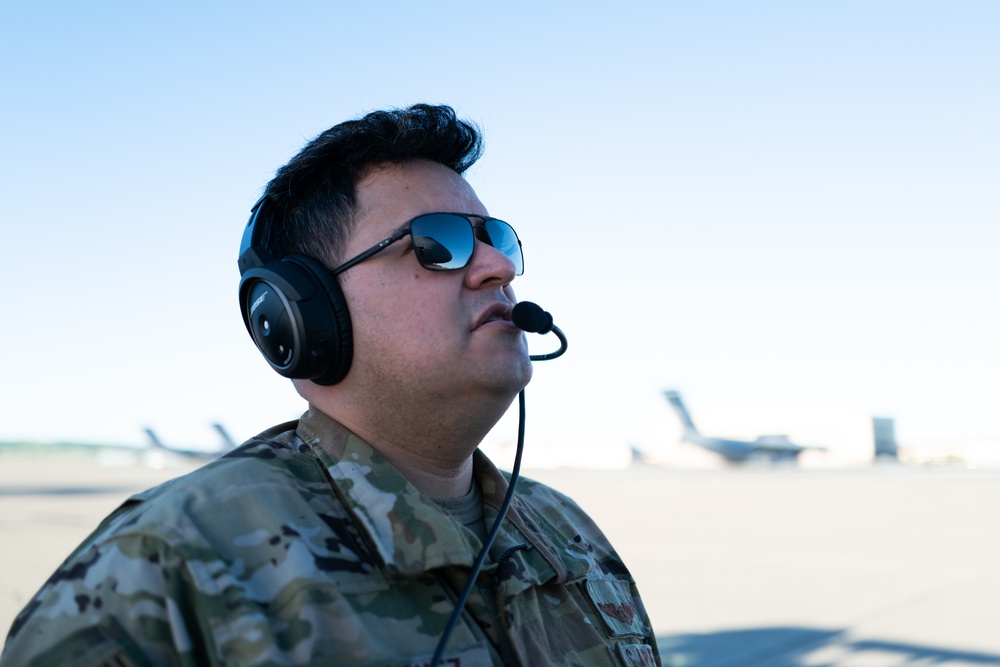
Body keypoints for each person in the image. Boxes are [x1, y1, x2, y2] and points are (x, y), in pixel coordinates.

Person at [2, 104, 660, 667]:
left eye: (500, 240)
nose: (494, 267)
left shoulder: (568, 536)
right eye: (438, 242)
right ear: (302, 315)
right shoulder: (169, 563)